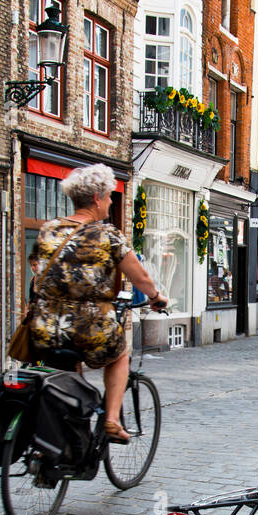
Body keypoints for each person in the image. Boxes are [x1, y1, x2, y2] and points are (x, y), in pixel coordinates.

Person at [29, 163, 168, 443]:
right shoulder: (107, 234)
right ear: (96, 199)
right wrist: (156, 297)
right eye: (108, 197)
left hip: (44, 326)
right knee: (119, 355)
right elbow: (139, 276)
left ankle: (66, 429)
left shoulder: (49, 229)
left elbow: (39, 269)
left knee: (67, 363)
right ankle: (112, 420)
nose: (109, 202)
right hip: (87, 326)